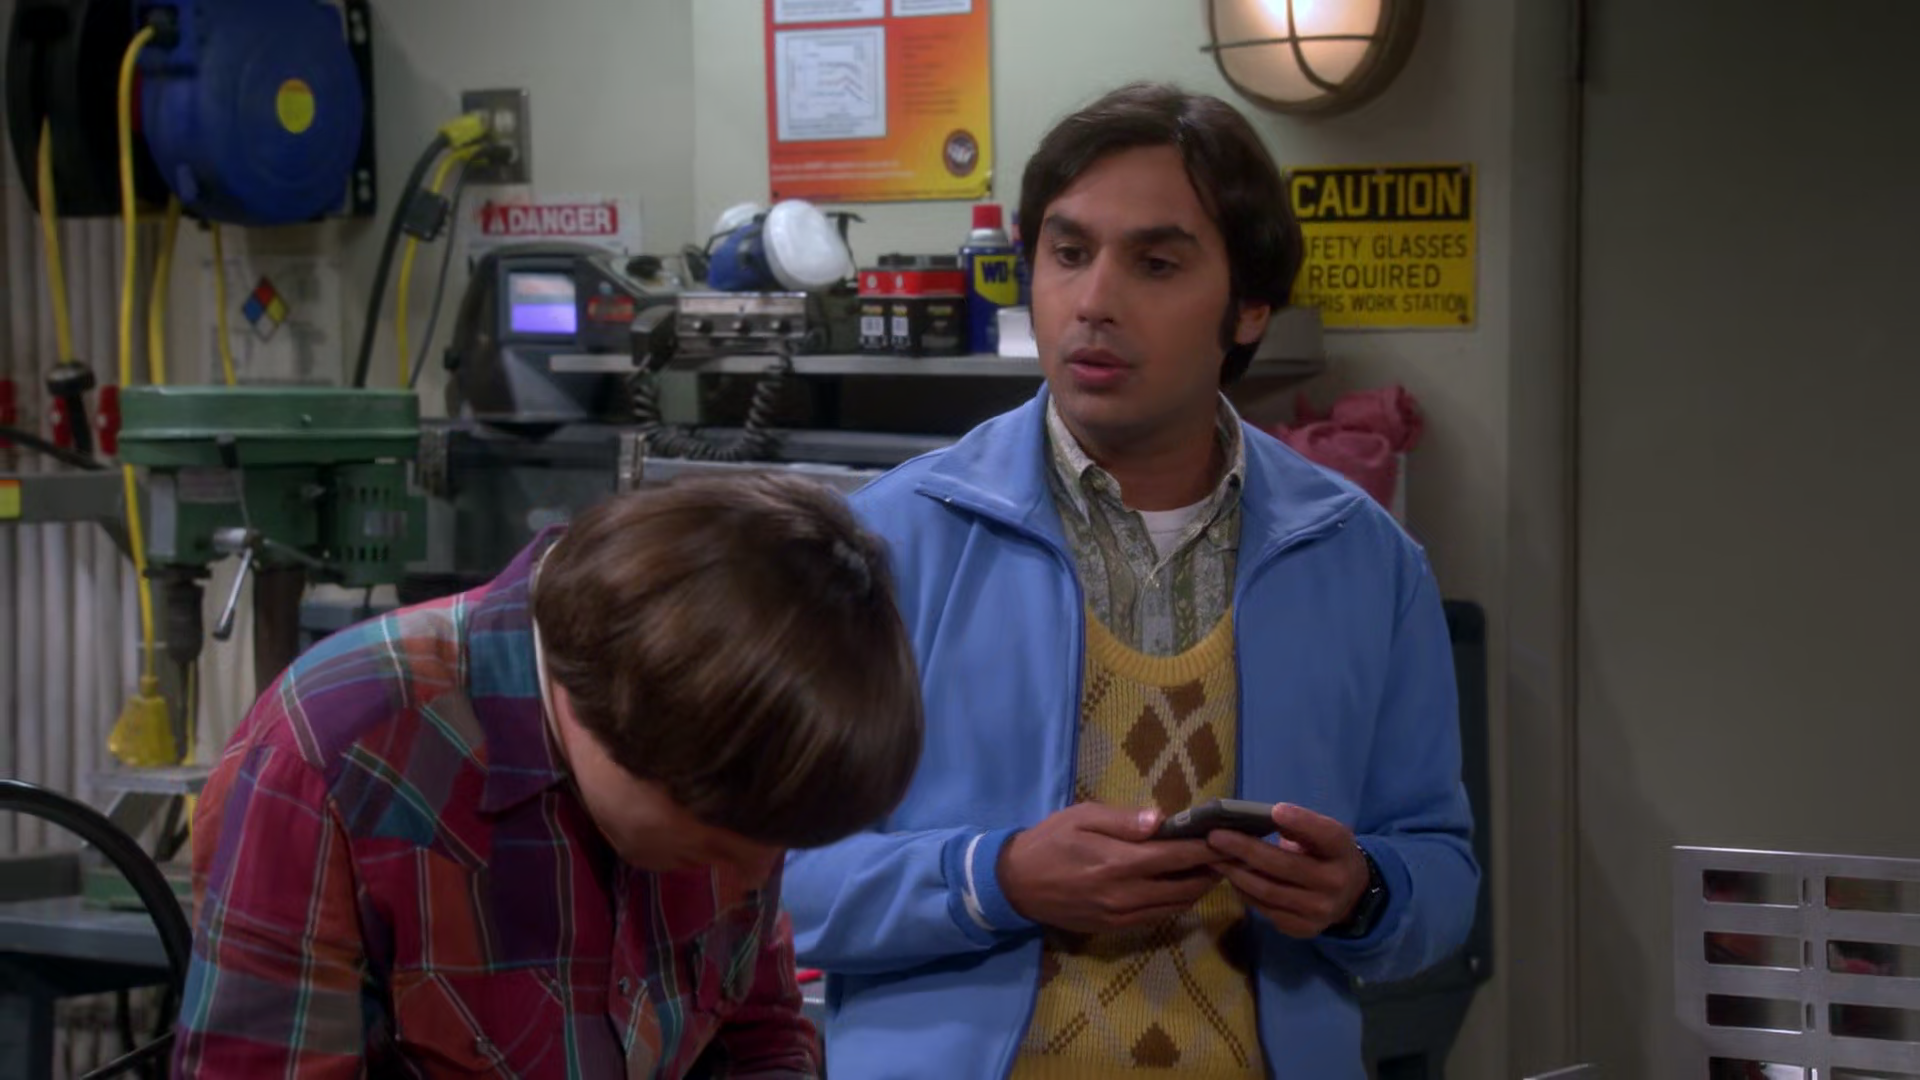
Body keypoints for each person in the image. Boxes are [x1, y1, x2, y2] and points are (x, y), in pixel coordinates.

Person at [783, 81, 1480, 1078]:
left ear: (1249, 309)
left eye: (1155, 263)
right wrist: (994, 878)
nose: (1094, 302)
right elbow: (767, 879)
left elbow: (1444, 876)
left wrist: (1364, 893)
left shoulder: (1365, 561)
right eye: (1068, 254)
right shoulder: (890, 541)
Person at [172, 474, 925, 1078]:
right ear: (622, 720)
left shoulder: (733, 771)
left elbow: (760, 1040)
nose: (754, 878)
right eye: (720, 846)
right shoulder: (335, 757)